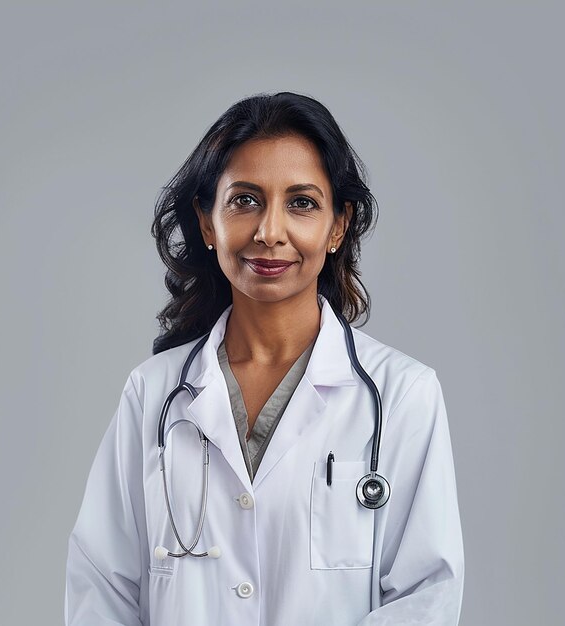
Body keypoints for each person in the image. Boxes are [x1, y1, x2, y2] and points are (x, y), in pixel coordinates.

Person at [64, 91, 464, 625]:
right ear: (207, 224)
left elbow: (426, 595)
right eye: (245, 200)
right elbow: (101, 587)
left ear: (338, 226)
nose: (269, 232)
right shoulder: (153, 394)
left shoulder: (402, 395)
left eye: (301, 202)